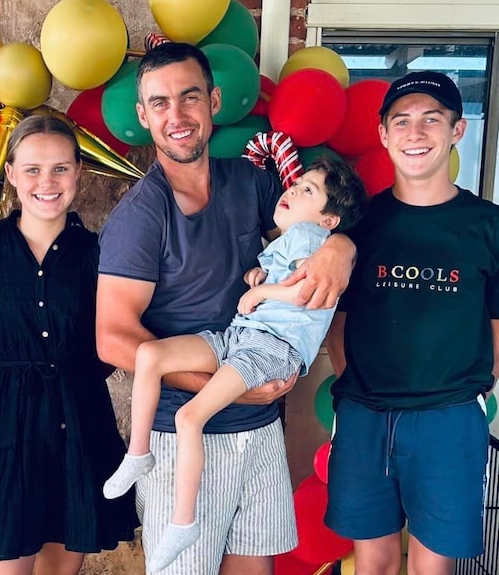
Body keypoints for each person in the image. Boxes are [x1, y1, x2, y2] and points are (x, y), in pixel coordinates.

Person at [96, 42, 357, 575]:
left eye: (190, 97)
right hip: (182, 436)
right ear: (143, 116)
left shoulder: (251, 182)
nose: (178, 115)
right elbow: (113, 335)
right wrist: (218, 383)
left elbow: (315, 221)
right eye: (161, 103)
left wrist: (341, 248)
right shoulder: (141, 216)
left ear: (213, 101)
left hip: (259, 429)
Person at [324, 71, 499, 575]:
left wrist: (479, 389)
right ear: (383, 135)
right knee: (371, 563)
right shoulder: (358, 227)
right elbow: (338, 315)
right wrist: (351, 379)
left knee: (432, 568)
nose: (415, 133)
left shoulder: (488, 227)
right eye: (401, 121)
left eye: (431, 120)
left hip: (447, 417)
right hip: (364, 414)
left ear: (457, 131)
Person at [0, 115, 139, 575]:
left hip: (76, 426)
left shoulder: (99, 253)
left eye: (60, 168)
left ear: (79, 171)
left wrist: (74, 378)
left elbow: (114, 337)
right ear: (11, 174)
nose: (47, 182)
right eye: (33, 169)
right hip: (0, 430)